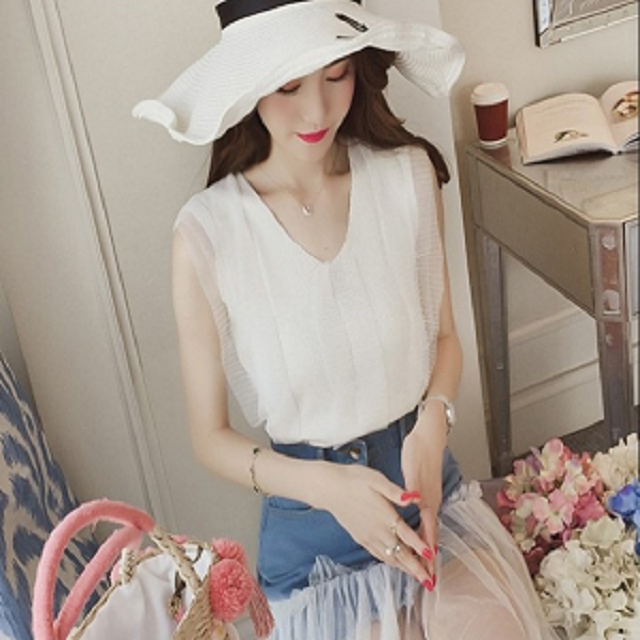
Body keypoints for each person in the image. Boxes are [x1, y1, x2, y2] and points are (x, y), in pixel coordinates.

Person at [134, 1, 561, 638]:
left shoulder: (406, 176)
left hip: (429, 501)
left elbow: (445, 339)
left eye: (337, 75)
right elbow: (209, 438)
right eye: (289, 86)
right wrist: (328, 488)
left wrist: (434, 425)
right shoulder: (207, 233)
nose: (317, 111)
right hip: (313, 546)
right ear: (251, 86)